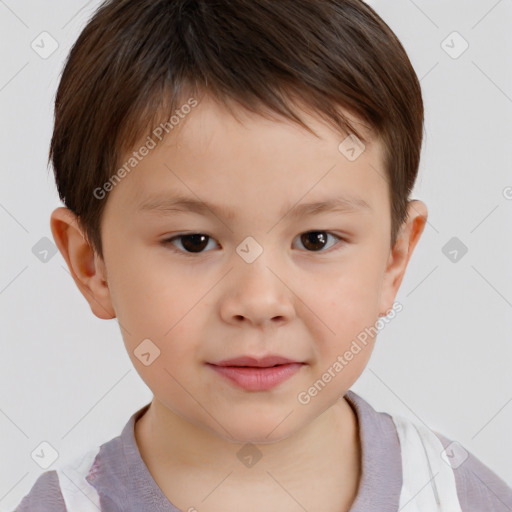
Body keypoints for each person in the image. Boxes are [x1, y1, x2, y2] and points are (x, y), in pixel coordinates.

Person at [15, 0, 512, 510]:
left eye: (316, 239)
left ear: (394, 258)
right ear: (91, 264)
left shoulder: (454, 493)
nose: (258, 301)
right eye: (194, 242)